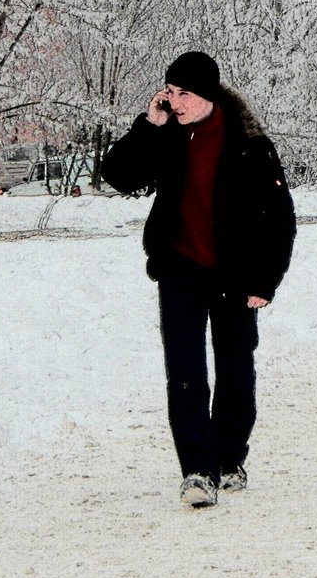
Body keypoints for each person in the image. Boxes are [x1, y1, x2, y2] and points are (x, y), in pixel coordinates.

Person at [100, 51, 296, 509]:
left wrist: (264, 281)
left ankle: (229, 458)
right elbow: (118, 176)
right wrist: (147, 126)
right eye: (170, 91)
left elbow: (278, 219)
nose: (175, 100)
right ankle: (196, 470)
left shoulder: (247, 143)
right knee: (185, 372)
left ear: (207, 95)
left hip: (235, 273)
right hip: (180, 270)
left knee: (235, 369)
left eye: (184, 93)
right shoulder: (166, 135)